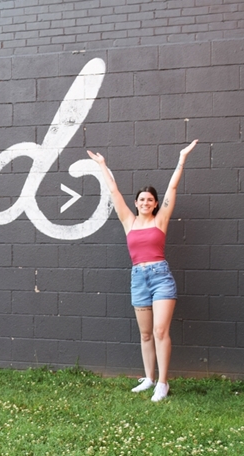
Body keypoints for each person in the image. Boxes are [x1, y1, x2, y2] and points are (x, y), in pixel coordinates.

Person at [87, 139, 198, 402]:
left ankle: (162, 383)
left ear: (156, 204)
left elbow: (172, 187)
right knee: (146, 333)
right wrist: (102, 165)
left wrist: (181, 159)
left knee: (160, 331)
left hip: (161, 278)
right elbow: (114, 192)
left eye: (150, 199)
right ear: (136, 203)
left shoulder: (161, 220)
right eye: (141, 199)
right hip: (138, 278)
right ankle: (148, 378)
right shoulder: (129, 221)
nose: (145, 202)